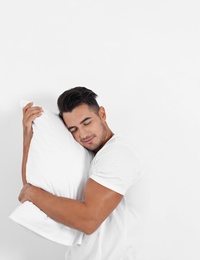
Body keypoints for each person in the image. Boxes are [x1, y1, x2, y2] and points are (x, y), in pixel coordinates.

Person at [19, 86, 143, 260]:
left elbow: (89, 221)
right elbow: (32, 186)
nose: (83, 134)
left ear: (102, 114)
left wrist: (33, 194)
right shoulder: (89, 156)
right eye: (73, 129)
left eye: (86, 122)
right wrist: (28, 137)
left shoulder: (117, 154)